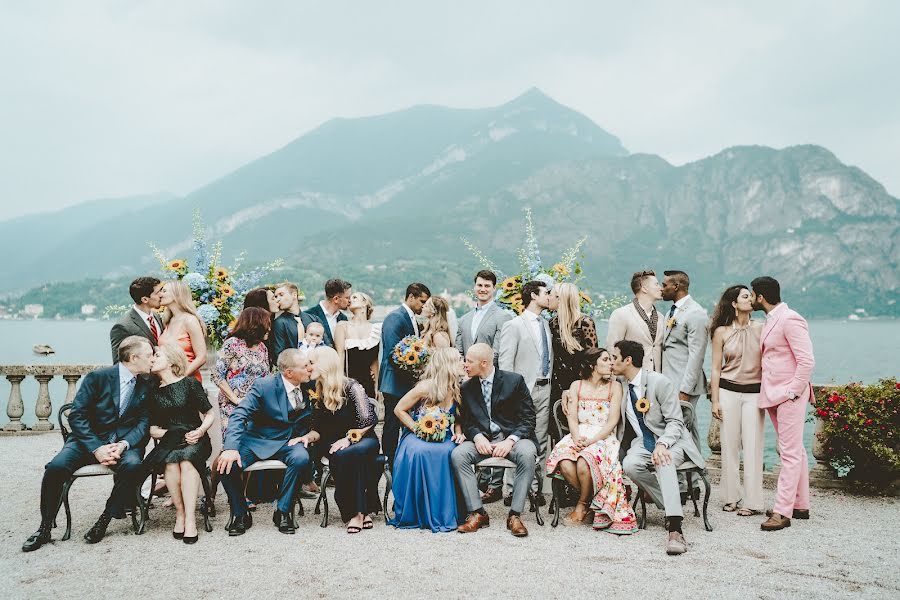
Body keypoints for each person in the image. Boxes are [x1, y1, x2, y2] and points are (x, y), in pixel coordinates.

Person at [22, 336, 154, 551]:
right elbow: (77, 416)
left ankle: (104, 520)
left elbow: (143, 422)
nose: (152, 359)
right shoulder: (98, 378)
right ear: (134, 357)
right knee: (56, 468)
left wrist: (123, 444)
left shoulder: (147, 383)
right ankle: (44, 528)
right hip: (87, 441)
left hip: (123, 443)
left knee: (133, 465)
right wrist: (97, 448)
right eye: (149, 355)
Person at [611, 340, 704, 555]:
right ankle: (671, 504)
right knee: (630, 464)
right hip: (643, 443)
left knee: (664, 459)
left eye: (615, 357)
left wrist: (663, 444)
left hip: (672, 441)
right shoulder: (620, 386)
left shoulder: (659, 382)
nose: (612, 362)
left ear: (628, 360)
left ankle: (675, 528)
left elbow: (676, 422)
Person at [217, 349, 315, 536]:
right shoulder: (265, 385)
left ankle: (283, 511)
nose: (310, 368)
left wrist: (310, 435)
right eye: (305, 366)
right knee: (227, 466)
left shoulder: (310, 385)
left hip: (289, 441)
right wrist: (230, 448)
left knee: (301, 458)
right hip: (257, 440)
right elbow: (239, 414)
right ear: (289, 373)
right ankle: (240, 513)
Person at [546, 347, 636, 534]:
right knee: (564, 460)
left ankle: (583, 504)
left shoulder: (615, 387)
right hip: (579, 432)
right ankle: (597, 498)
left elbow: (613, 421)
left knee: (582, 461)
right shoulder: (576, 386)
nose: (611, 363)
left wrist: (592, 440)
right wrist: (577, 437)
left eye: (611, 359)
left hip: (603, 436)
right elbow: (571, 417)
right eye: (605, 360)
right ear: (591, 364)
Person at [452, 343, 538, 537]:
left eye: (469, 361)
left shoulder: (514, 381)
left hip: (513, 438)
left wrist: (510, 441)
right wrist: (477, 436)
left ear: (484, 363)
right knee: (459, 454)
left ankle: (515, 515)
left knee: (527, 453)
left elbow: (529, 419)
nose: (465, 365)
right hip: (484, 440)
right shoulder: (466, 387)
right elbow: (467, 420)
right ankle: (478, 512)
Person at [751, 276, 815, 532]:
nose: (753, 298)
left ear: (760, 296)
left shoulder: (790, 319)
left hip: (788, 395)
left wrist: (792, 392)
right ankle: (800, 504)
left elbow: (806, 361)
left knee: (788, 452)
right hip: (775, 394)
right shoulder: (772, 319)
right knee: (795, 450)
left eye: (753, 294)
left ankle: (782, 511)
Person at [300, 347, 381, 533]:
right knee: (346, 454)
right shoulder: (314, 390)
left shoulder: (352, 387)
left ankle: (355, 513)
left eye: (311, 363)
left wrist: (349, 439)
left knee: (351, 452)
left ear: (324, 365)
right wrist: (306, 437)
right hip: (333, 444)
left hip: (363, 439)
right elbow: (317, 429)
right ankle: (361, 511)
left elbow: (368, 420)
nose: (309, 367)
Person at [389, 348, 467, 532]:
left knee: (449, 451)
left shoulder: (458, 387)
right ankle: (418, 511)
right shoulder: (426, 387)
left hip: (443, 436)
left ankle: (445, 511)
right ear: (447, 365)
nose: (463, 362)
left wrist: (458, 431)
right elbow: (399, 409)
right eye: (458, 359)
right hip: (416, 435)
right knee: (421, 452)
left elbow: (458, 418)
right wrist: (416, 428)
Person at [144, 344, 215, 544]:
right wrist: (170, 433)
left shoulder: (190, 384)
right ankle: (181, 514)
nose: (152, 359)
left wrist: (200, 431)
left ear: (171, 360)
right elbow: (151, 428)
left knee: (186, 460)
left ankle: (191, 519)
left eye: (157, 355)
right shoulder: (152, 392)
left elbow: (209, 414)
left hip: (196, 438)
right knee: (172, 461)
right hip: (170, 442)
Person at [709, 285, 764, 516]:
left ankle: (753, 502)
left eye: (751, 295)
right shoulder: (721, 332)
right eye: (745, 296)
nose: (750, 298)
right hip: (728, 392)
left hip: (755, 394)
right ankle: (731, 497)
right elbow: (715, 369)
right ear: (734, 303)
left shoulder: (762, 329)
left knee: (753, 447)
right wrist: (715, 401)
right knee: (729, 447)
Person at [209, 307, 272, 511]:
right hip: (232, 405)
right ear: (256, 323)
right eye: (267, 322)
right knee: (229, 449)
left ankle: (240, 495)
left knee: (247, 447)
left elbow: (266, 376)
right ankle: (210, 492)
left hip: (256, 406)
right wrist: (236, 399)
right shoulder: (232, 344)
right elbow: (217, 375)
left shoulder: (262, 347)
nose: (269, 326)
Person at [495, 280, 552, 504]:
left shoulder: (545, 325)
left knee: (541, 439)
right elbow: (506, 363)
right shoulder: (514, 325)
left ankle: (534, 488)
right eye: (546, 293)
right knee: (516, 436)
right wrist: (509, 394)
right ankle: (512, 489)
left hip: (544, 387)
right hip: (522, 391)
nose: (549, 297)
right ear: (533, 296)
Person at [378, 282, 431, 464]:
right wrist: (417, 368)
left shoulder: (412, 318)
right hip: (394, 381)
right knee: (392, 423)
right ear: (411, 297)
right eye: (422, 301)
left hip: (405, 382)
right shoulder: (395, 318)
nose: (424, 306)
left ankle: (402, 458)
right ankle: (390, 460)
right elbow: (394, 353)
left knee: (403, 422)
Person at [660, 270, 709, 455]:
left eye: (665, 285)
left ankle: (691, 476)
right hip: (670, 381)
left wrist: (685, 390)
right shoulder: (671, 311)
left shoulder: (696, 313)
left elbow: (697, 355)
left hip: (683, 384)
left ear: (676, 286)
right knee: (688, 430)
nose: (662, 289)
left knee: (681, 431)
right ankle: (695, 476)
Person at [549, 282, 598, 421]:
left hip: (581, 386)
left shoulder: (585, 322)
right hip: (558, 385)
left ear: (560, 298)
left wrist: (579, 387)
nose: (548, 298)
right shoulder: (552, 323)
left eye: (551, 294)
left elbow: (592, 358)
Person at [606, 270, 664, 372]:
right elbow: (612, 349)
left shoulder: (661, 317)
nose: (661, 288)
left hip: (657, 380)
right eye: (656, 284)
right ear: (644, 288)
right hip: (630, 380)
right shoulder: (621, 314)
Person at [455, 270, 512, 364]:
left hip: (490, 375)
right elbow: (458, 352)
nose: (483, 289)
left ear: (494, 288)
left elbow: (497, 352)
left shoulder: (503, 317)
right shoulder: (463, 319)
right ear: (474, 287)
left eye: (487, 286)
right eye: (480, 285)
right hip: (465, 375)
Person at [334, 291, 381, 399]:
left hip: (368, 383)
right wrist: (339, 382)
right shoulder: (342, 326)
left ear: (365, 303)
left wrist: (377, 386)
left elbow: (375, 361)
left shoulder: (375, 330)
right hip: (348, 382)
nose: (350, 300)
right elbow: (340, 355)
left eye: (354, 297)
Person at [157, 280, 207, 382]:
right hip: (168, 381)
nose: (160, 294)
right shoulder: (168, 321)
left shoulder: (190, 320)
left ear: (177, 294)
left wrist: (180, 378)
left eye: (164, 291)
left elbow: (201, 357)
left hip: (187, 381)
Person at [110, 277, 165, 363]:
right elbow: (119, 363)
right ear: (145, 299)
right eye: (158, 292)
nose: (162, 295)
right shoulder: (123, 326)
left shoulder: (157, 317)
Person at [271, 282, 321, 368]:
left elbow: (326, 345)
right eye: (276, 297)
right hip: (294, 372)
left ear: (294, 295)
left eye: (281, 295)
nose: (277, 299)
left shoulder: (314, 319)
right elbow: (278, 355)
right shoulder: (279, 323)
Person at [305, 278, 351, 347]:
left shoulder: (343, 318)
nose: (350, 301)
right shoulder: (309, 315)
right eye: (347, 297)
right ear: (336, 299)